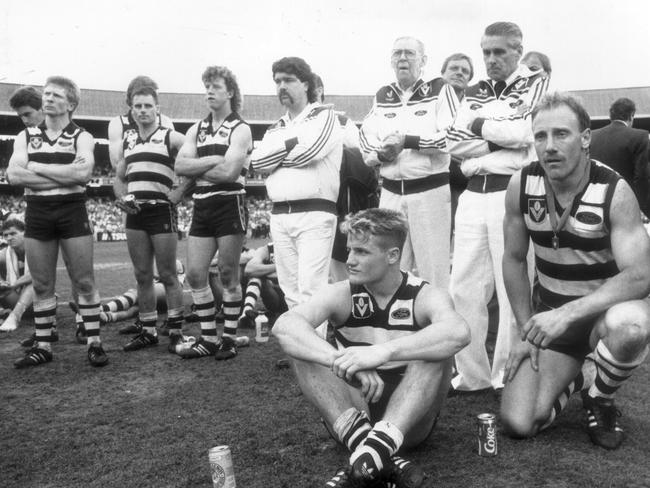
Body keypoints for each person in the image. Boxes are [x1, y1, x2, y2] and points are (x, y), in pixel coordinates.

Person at [273, 208, 469, 487]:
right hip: (354, 411)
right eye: (350, 250)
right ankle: (375, 455)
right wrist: (342, 360)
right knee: (300, 350)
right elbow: (284, 327)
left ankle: (368, 455)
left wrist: (383, 352)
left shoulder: (423, 295)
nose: (350, 260)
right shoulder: (342, 292)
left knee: (437, 349)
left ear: (392, 256)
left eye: (362, 252)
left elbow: (458, 332)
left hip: (410, 419)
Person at [500, 92, 650, 450]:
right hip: (555, 321)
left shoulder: (614, 190)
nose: (549, 146)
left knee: (630, 326)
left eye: (561, 134)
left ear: (585, 139)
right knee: (518, 423)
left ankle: (600, 395)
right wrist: (526, 328)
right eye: (540, 136)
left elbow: (641, 275)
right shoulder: (522, 184)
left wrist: (567, 314)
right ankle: (582, 375)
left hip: (601, 315)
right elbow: (513, 259)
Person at [446, 21, 550, 392]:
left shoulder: (534, 80)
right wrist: (498, 136)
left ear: (518, 51)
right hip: (473, 193)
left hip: (512, 191)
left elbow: (526, 133)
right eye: (486, 52)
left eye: (499, 52)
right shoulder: (472, 90)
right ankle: (471, 376)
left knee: (512, 287)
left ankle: (505, 374)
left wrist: (477, 126)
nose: (490, 59)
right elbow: (452, 143)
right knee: (463, 287)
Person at [7, 76, 108, 368]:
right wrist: (62, 171)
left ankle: (94, 343)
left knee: (84, 280)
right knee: (41, 283)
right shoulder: (25, 136)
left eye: (56, 95)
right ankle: (43, 346)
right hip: (37, 212)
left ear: (71, 103)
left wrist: (36, 166)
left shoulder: (82, 136)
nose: (48, 98)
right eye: (46, 94)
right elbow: (14, 175)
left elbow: (82, 175)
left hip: (71, 211)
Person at [359, 37, 455, 289]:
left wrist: (408, 141)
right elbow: (366, 140)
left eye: (410, 53)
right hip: (391, 193)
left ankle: (438, 325)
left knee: (433, 271)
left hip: (429, 192)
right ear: (391, 60)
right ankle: (394, 327)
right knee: (390, 269)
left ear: (423, 61)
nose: (403, 58)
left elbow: (452, 138)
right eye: (397, 53)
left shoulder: (440, 89)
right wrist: (382, 154)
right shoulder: (383, 94)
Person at [251, 57, 342, 309]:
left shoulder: (325, 116)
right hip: (280, 214)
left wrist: (276, 157)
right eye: (277, 81)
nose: (282, 86)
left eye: (288, 80)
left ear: (305, 84)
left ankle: (314, 347)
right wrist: (291, 143)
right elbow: (257, 164)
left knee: (312, 289)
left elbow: (309, 152)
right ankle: (300, 348)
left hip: (315, 212)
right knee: (290, 291)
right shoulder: (275, 127)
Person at [175, 66, 252, 359]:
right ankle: (208, 338)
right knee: (196, 274)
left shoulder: (240, 128)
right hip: (203, 204)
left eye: (215, 87)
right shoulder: (196, 128)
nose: (209, 92)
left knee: (228, 273)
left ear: (230, 92)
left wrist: (202, 166)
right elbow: (180, 166)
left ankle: (229, 338)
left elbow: (230, 173)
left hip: (230, 202)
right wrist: (213, 160)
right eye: (206, 86)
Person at [113, 82, 188, 354]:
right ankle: (147, 331)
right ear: (131, 110)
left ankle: (176, 330)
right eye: (138, 106)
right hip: (136, 214)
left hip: (161, 211)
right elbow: (119, 178)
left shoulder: (171, 137)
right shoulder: (128, 140)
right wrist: (121, 197)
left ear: (157, 109)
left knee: (167, 274)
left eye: (148, 106)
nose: (143, 110)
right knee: (142, 274)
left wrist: (180, 190)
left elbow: (193, 163)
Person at [313, 73, 379, 282]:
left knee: (343, 250)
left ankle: (354, 298)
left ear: (319, 91)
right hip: (312, 196)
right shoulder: (293, 125)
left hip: (342, 195)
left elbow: (362, 158)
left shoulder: (341, 122)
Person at [589, 98, 650, 216]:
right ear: (631, 116)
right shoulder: (640, 136)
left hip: (594, 203)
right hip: (625, 206)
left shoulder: (592, 136)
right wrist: (644, 210)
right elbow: (641, 178)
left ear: (610, 116)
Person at [107, 76, 175, 169]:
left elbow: (172, 159)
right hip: (130, 180)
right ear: (132, 99)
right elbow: (116, 163)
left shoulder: (165, 121)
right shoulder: (118, 123)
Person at [440, 53, 474, 226]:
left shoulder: (475, 106)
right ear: (443, 74)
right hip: (436, 178)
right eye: (454, 68)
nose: (459, 73)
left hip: (467, 179)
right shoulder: (430, 103)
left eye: (465, 71)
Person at [238, 241, 288, 328]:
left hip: (292, 295)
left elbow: (295, 275)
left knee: (258, 274)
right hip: (274, 297)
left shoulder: (299, 246)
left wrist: (263, 271)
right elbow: (249, 269)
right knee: (255, 276)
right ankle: (246, 314)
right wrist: (280, 266)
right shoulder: (268, 249)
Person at [0, 218, 34, 332]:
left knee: (36, 281)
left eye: (13, 233)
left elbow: (37, 274)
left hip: (39, 301)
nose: (9, 238)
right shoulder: (5, 254)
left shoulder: (39, 249)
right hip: (15, 299)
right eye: (6, 235)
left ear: (25, 232)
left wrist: (14, 285)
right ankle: (2, 313)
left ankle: (14, 316)